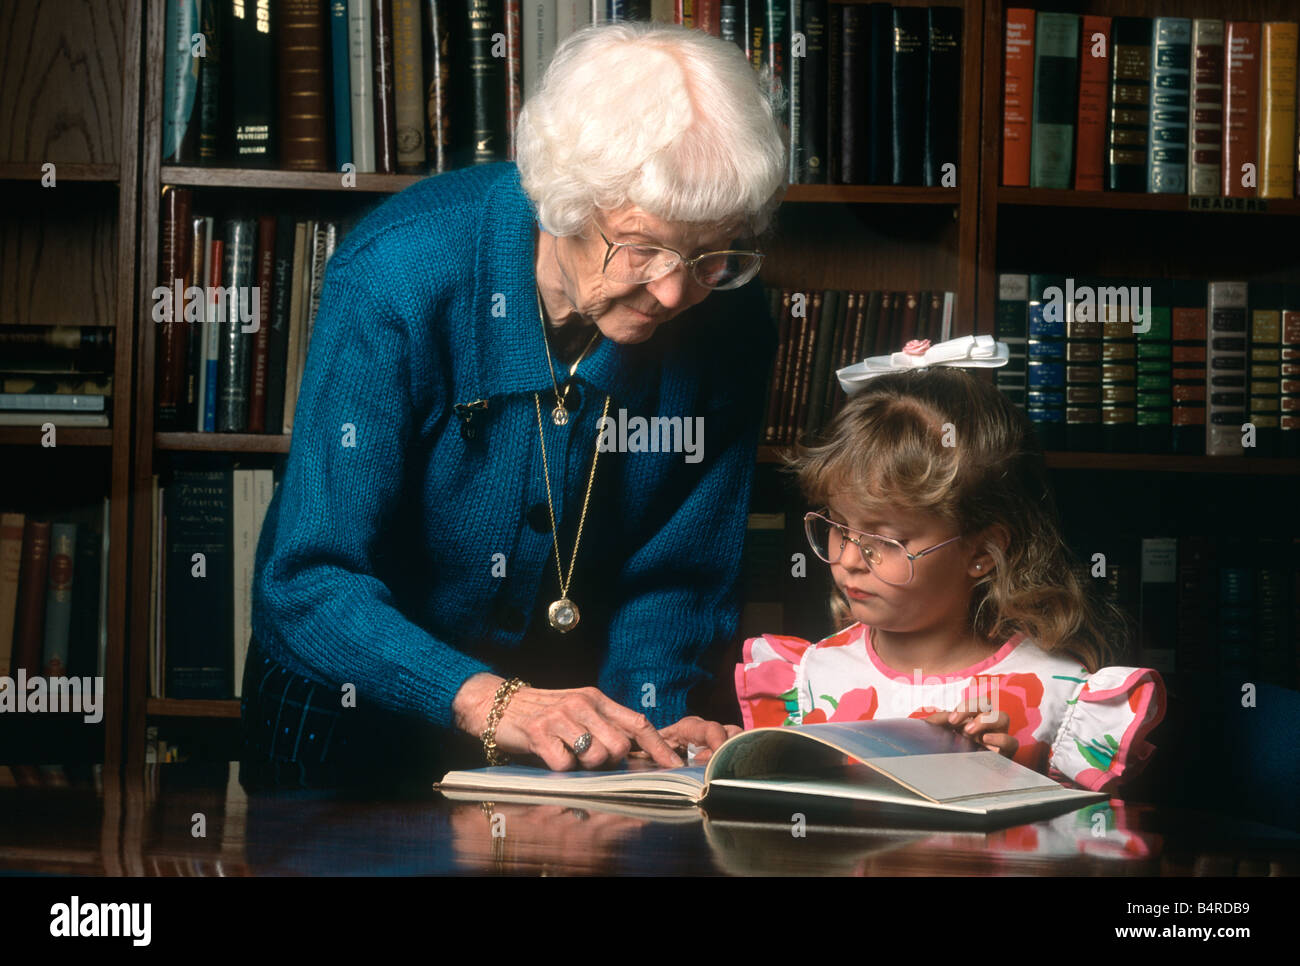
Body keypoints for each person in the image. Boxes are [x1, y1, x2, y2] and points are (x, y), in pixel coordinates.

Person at [240, 21, 787, 785]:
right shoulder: (398, 275)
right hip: (347, 721)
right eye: (642, 246)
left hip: (577, 739)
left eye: (708, 255)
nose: (672, 291)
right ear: (565, 201)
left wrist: (654, 736)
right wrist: (494, 703)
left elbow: (678, 579)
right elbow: (309, 576)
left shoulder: (729, 319)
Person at [735, 357, 1166, 792]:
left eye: (885, 541)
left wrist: (1012, 780)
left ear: (981, 552)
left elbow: (1085, 848)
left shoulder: (1061, 697)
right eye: (839, 527)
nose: (848, 560)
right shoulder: (807, 680)